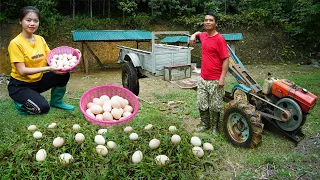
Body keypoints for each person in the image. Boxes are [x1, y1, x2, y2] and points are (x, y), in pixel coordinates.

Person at [7, 6, 75, 115]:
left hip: (37, 82)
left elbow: (52, 58)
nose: (32, 23)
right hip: (20, 86)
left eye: (35, 20)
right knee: (43, 108)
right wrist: (49, 68)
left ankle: (56, 101)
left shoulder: (40, 39)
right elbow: (22, 71)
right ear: (20, 21)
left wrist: (72, 55)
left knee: (63, 74)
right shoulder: (15, 43)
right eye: (28, 20)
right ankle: (20, 103)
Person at [189, 12, 229, 135]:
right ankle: (205, 124)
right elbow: (198, 33)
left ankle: (214, 127)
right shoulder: (204, 36)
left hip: (215, 79)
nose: (207, 22)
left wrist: (222, 78)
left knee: (215, 106)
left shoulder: (219, 39)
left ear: (215, 23)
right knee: (201, 103)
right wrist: (193, 35)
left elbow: (226, 59)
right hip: (203, 78)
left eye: (210, 20)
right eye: (205, 20)